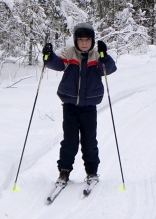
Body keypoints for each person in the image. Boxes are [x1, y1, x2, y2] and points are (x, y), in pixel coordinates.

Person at [42, 22, 117, 188]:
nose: (84, 43)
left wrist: (104, 56)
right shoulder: (69, 53)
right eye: (81, 40)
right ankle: (64, 171)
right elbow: (58, 64)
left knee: (89, 141)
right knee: (69, 141)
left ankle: (92, 172)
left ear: (92, 41)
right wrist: (48, 56)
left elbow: (108, 69)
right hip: (70, 106)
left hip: (89, 107)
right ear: (75, 40)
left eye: (87, 40)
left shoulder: (96, 55)